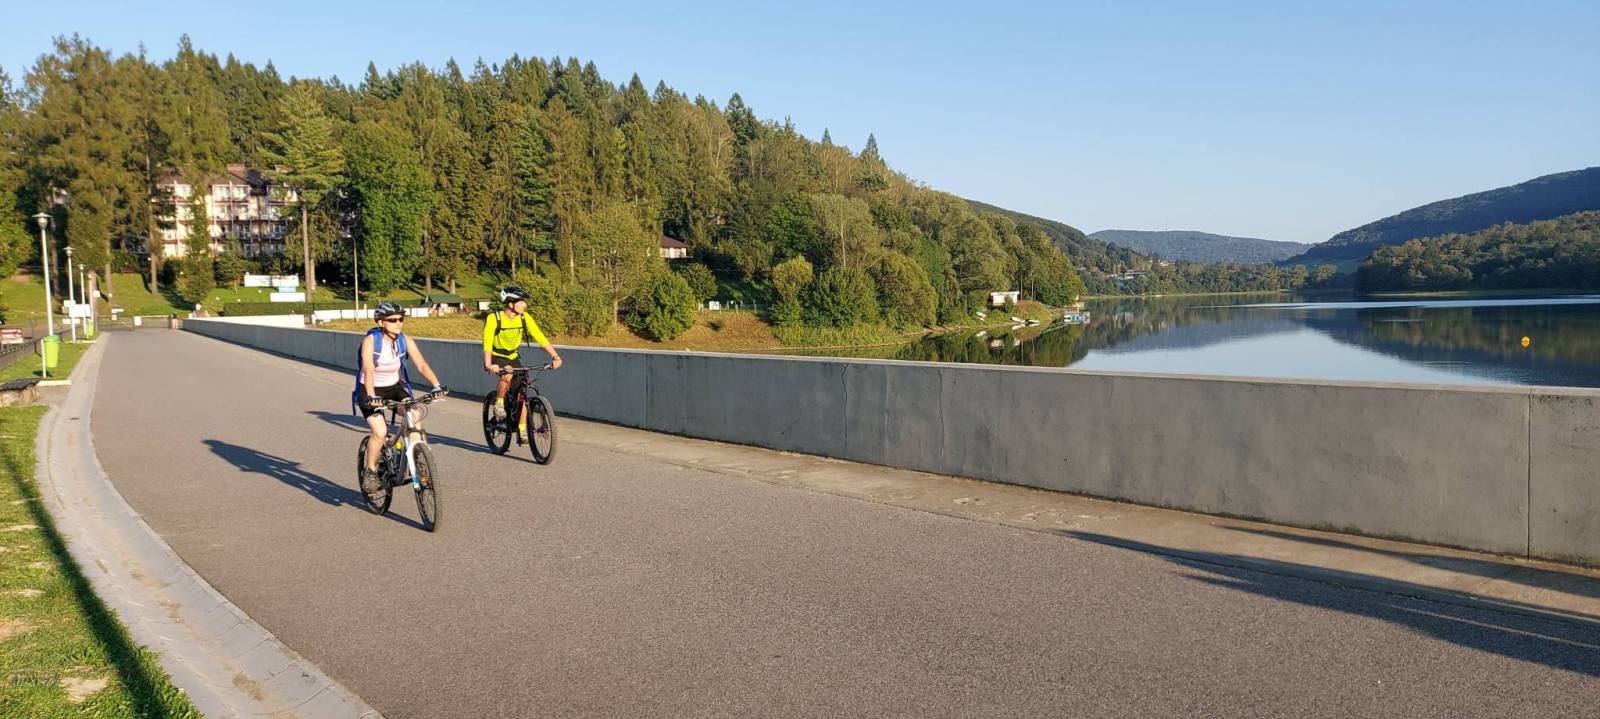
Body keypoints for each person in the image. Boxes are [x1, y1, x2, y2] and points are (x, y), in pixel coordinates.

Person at [359, 301, 446, 491]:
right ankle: (370, 470)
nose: (398, 323)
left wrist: (436, 385)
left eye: (401, 319)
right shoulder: (371, 341)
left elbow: (421, 364)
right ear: (381, 322)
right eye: (393, 320)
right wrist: (372, 396)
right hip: (370, 389)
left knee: (414, 415)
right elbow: (368, 370)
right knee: (380, 432)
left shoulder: (404, 340)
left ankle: (420, 464)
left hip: (394, 387)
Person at [483, 286, 562, 442]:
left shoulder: (524, 318)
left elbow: (540, 337)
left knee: (522, 391)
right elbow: (487, 342)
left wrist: (555, 356)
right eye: (521, 302)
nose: (524, 305)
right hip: (496, 356)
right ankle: (499, 404)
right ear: (510, 303)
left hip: (513, 356)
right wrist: (488, 364)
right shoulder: (494, 318)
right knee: (508, 371)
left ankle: (522, 429)